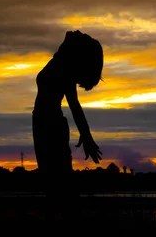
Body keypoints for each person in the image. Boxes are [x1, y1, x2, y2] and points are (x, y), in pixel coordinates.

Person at [32, 30, 103, 203]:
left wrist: (87, 136)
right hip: (41, 123)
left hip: (51, 124)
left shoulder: (65, 69)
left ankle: (69, 215)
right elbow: (68, 36)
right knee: (51, 181)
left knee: (59, 181)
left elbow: (75, 106)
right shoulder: (59, 60)